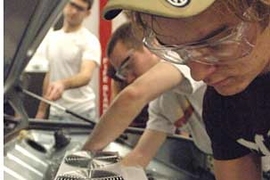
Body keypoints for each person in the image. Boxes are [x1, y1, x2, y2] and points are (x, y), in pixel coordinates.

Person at [95, 1, 269, 180]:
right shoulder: (222, 103)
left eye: (217, 42)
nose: (197, 74)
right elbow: (140, 156)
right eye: (179, 51)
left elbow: (133, 95)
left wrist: (87, 152)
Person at [83, 22, 212, 168]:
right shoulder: (161, 103)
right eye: (123, 73)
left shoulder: (181, 58)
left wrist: (82, 160)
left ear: (150, 45)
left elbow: (133, 95)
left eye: (128, 63)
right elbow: (140, 156)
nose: (129, 78)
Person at [35, 0, 101, 121]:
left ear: (87, 13)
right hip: (56, 111)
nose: (74, 11)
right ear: (65, 4)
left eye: (80, 8)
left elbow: (86, 76)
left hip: (81, 112)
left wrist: (63, 84)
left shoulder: (89, 40)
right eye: (72, 5)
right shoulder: (53, 38)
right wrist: (42, 110)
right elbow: (50, 76)